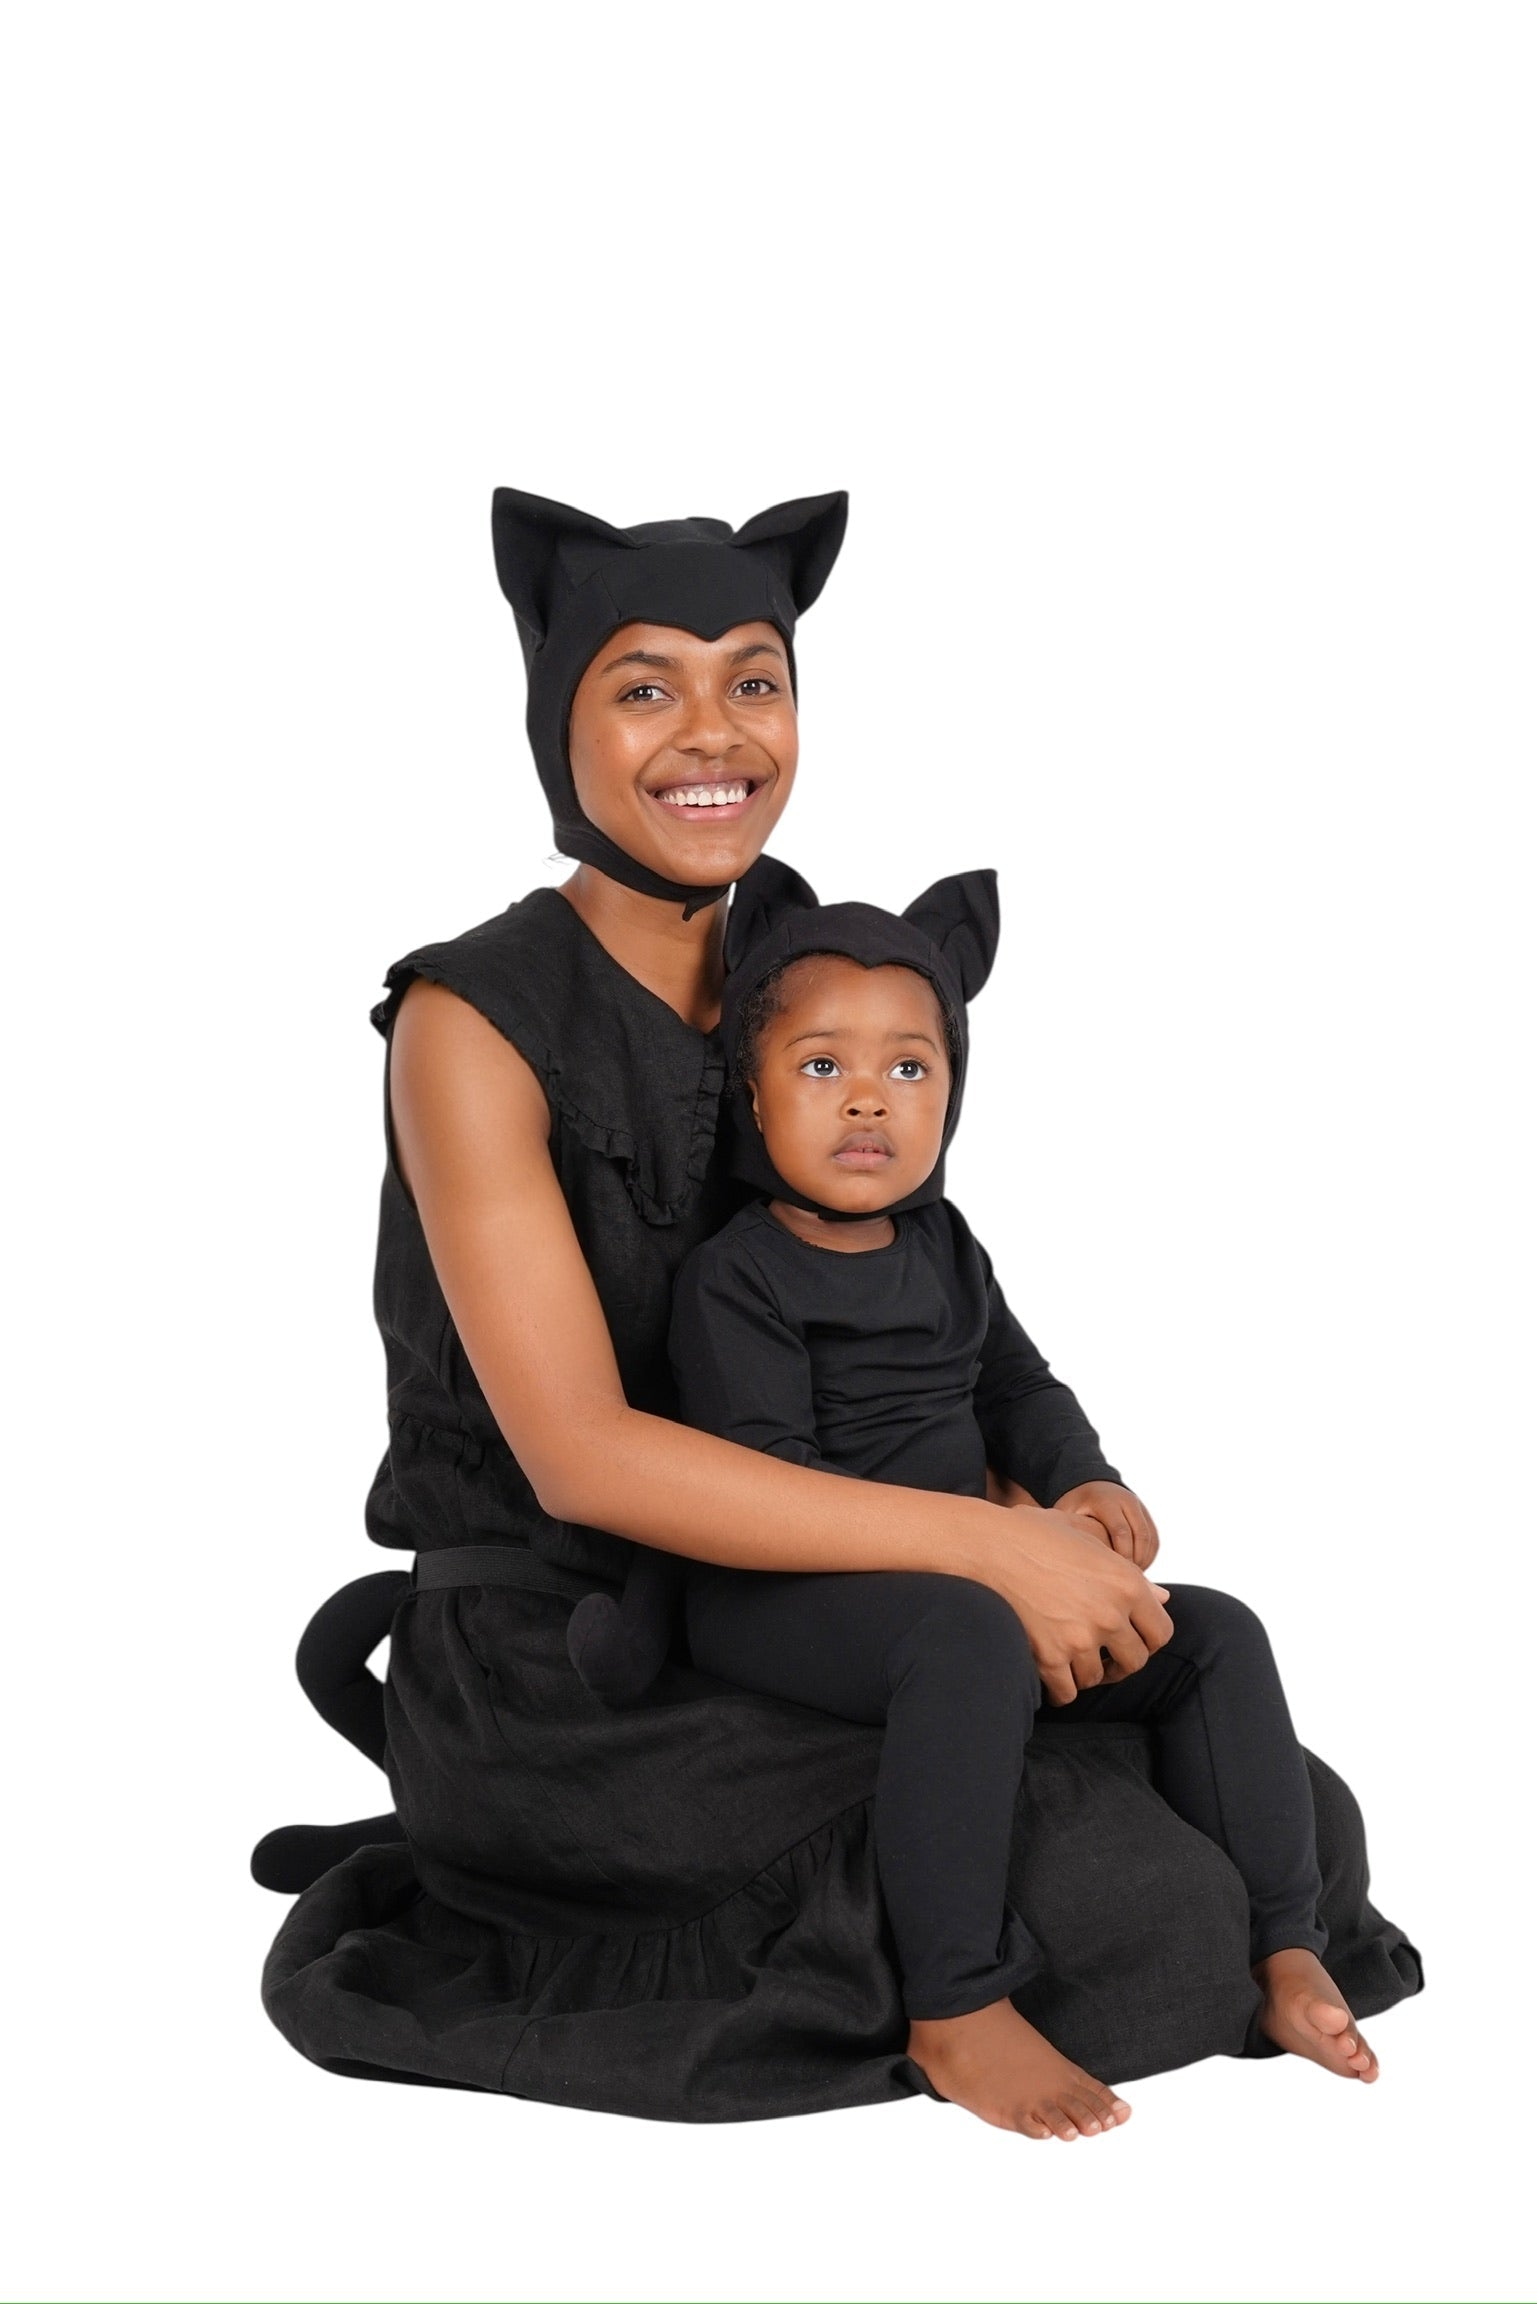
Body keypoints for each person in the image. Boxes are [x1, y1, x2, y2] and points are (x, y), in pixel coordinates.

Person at [256, 488, 1420, 2124]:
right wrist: (984, 1552)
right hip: (572, 1675)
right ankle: (946, 1996)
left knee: (1285, 1803)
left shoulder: (810, 996)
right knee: (1145, 1909)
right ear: (559, 717)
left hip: (842, 1601)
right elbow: (582, 1454)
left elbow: (927, 1321)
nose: (711, 731)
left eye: (754, 678)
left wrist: (1045, 1500)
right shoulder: (473, 1018)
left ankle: (1192, 1922)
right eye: (644, 686)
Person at [588, 873, 1377, 2138]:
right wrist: (997, 1560)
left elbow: (1015, 1384)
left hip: (964, 1574)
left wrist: (1082, 1480)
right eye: (821, 1065)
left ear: (950, 1096)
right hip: (777, 1589)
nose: (867, 1098)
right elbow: (774, 1485)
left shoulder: (945, 1246)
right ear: (751, 1091)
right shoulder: (739, 1276)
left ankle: (1285, 1946)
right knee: (959, 1639)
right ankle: (955, 2003)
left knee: (1214, 1631)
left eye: (908, 1069)